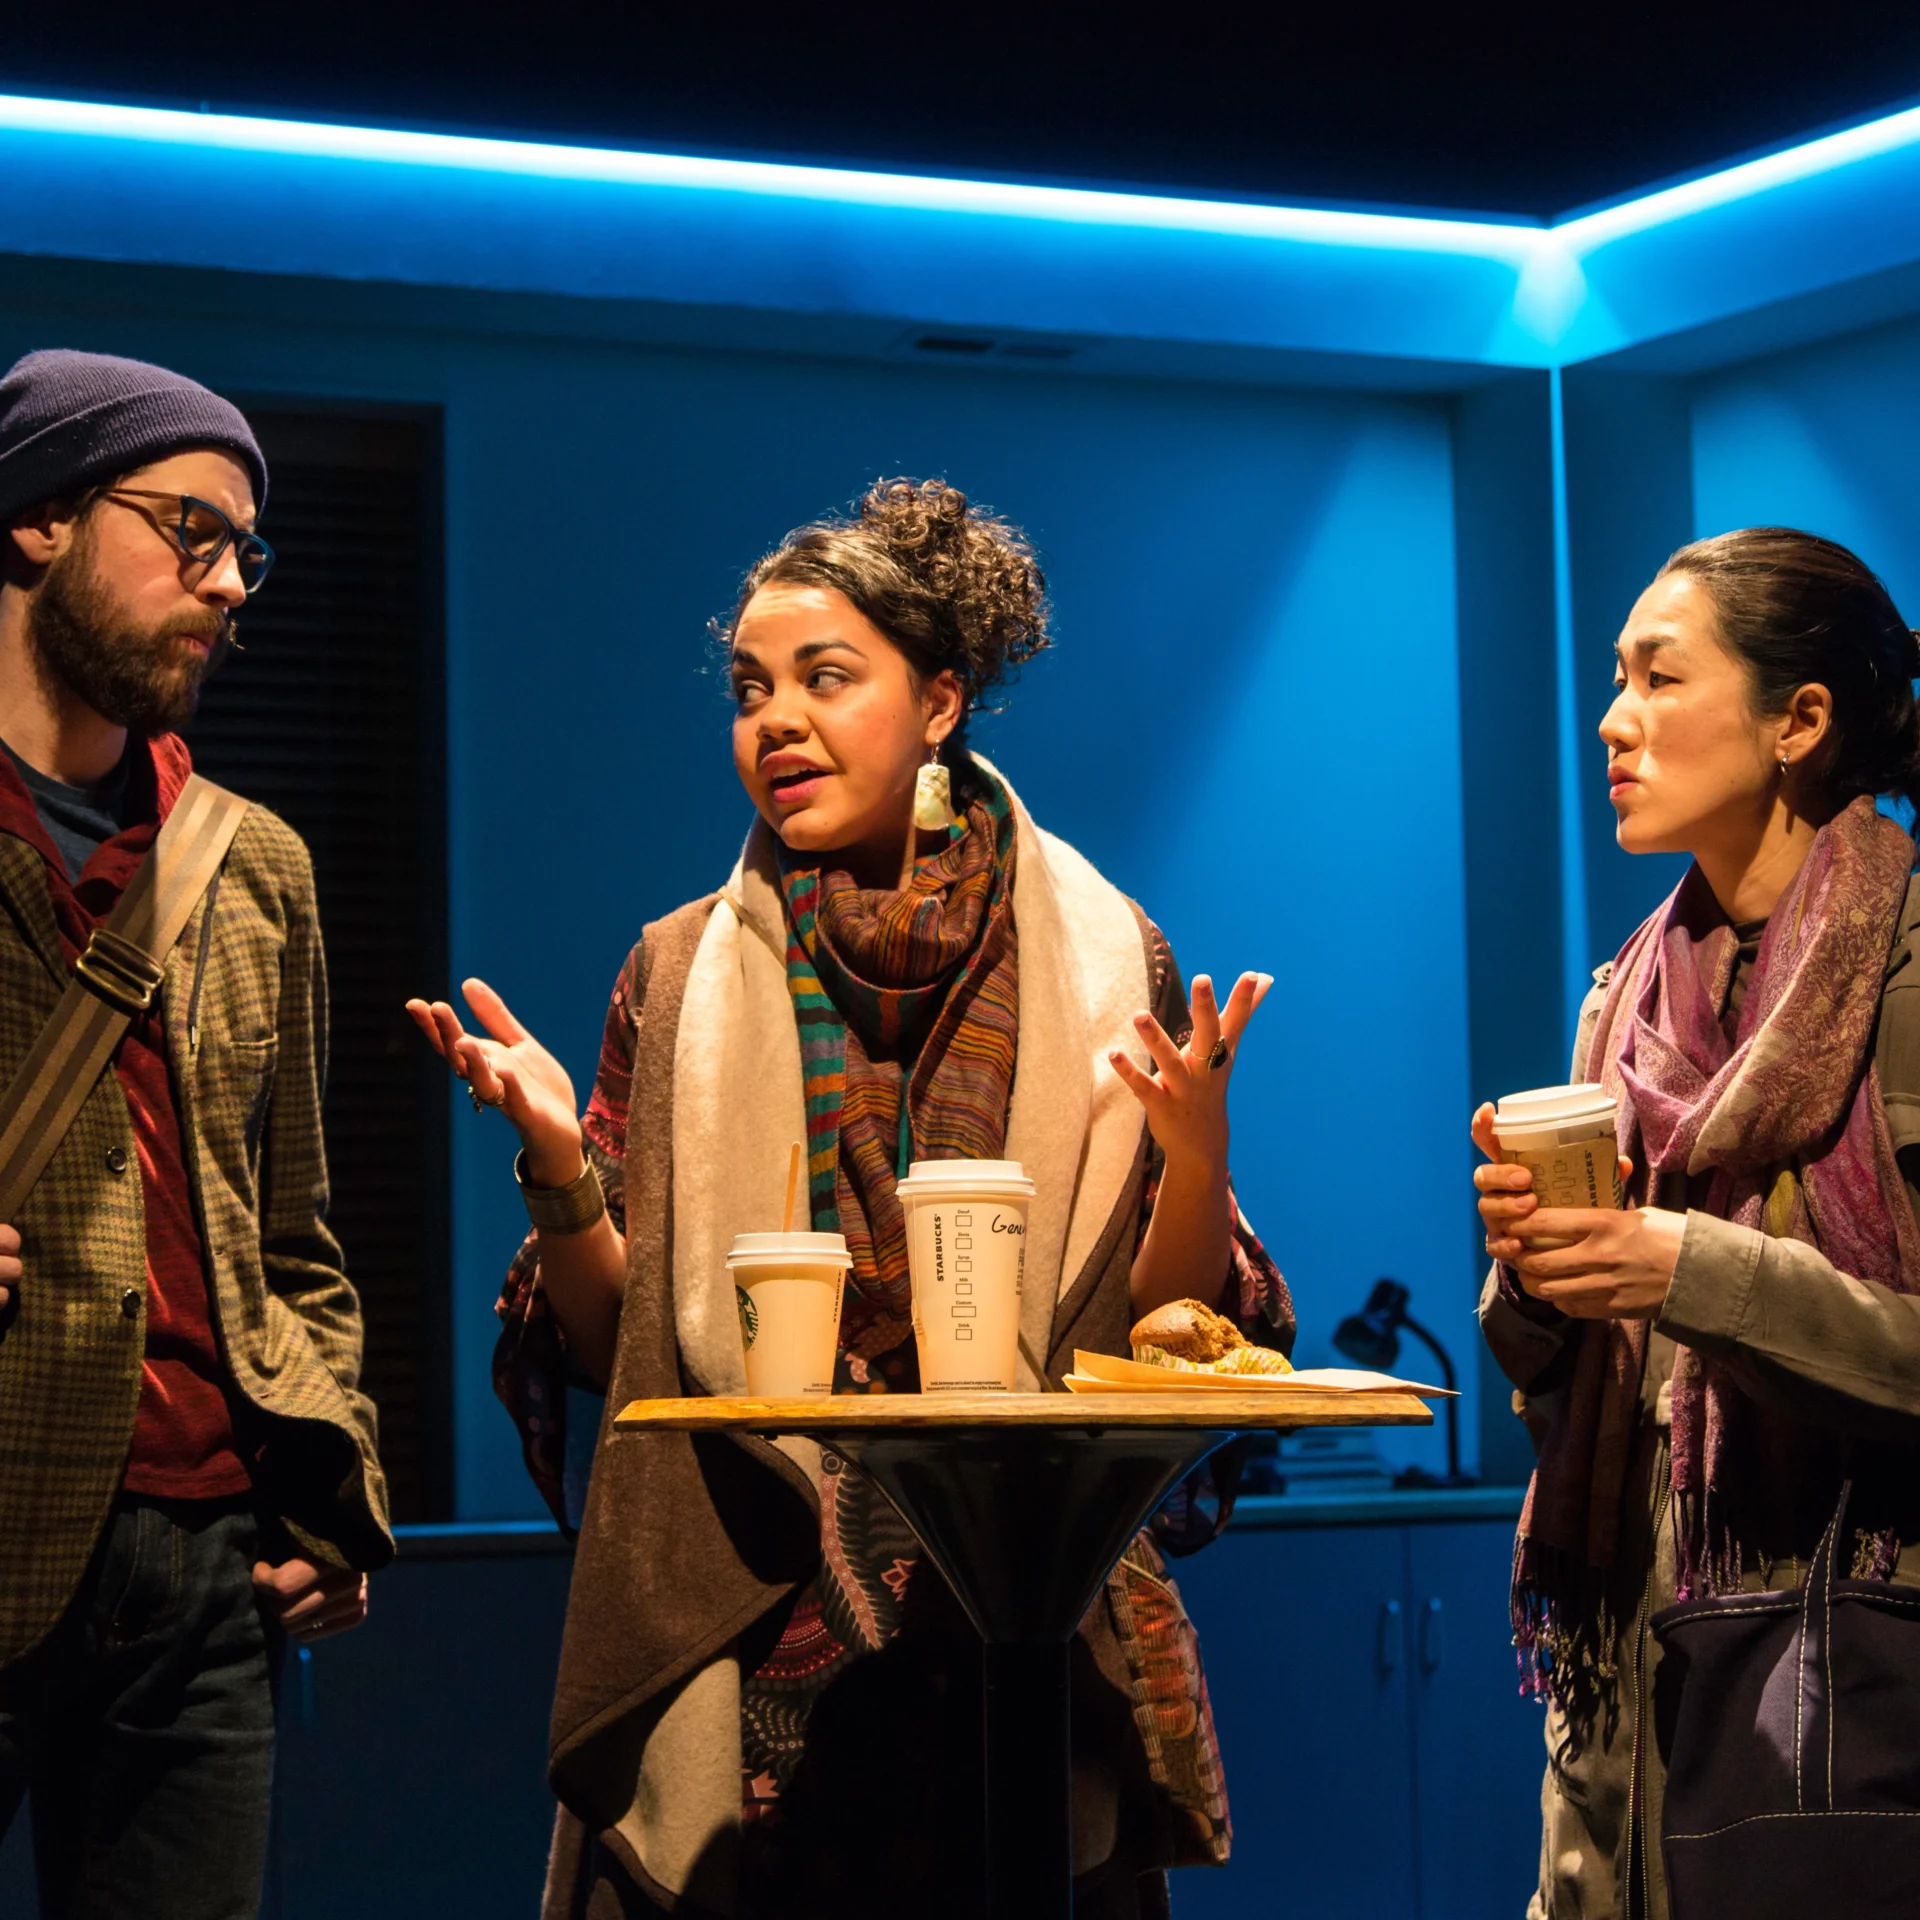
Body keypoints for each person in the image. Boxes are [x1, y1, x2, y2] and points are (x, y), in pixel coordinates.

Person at [410, 478, 1291, 1920]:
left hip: (1024, 1601)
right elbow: (610, 1346)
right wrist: (564, 1169)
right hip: (763, 1604)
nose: (777, 723)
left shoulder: (1097, 948)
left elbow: (1171, 1318)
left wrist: (1193, 1152)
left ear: (941, 701)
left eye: (828, 678)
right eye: (751, 689)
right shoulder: (680, 971)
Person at [1473, 527, 1920, 1920]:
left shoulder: (1908, 973)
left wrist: (1691, 1268)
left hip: (1849, 1677)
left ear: (1800, 720)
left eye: (1660, 677)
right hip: (1629, 1687)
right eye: (1616, 677)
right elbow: (1568, 1398)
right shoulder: (1625, 1000)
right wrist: (1541, 1282)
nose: (1613, 717)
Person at [0, 350, 393, 1919]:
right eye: (189, 530)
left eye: (248, 552)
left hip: (207, 1567)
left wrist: (333, 1473)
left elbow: (288, 1229)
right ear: (38, 516)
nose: (229, 584)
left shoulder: (255, 864)